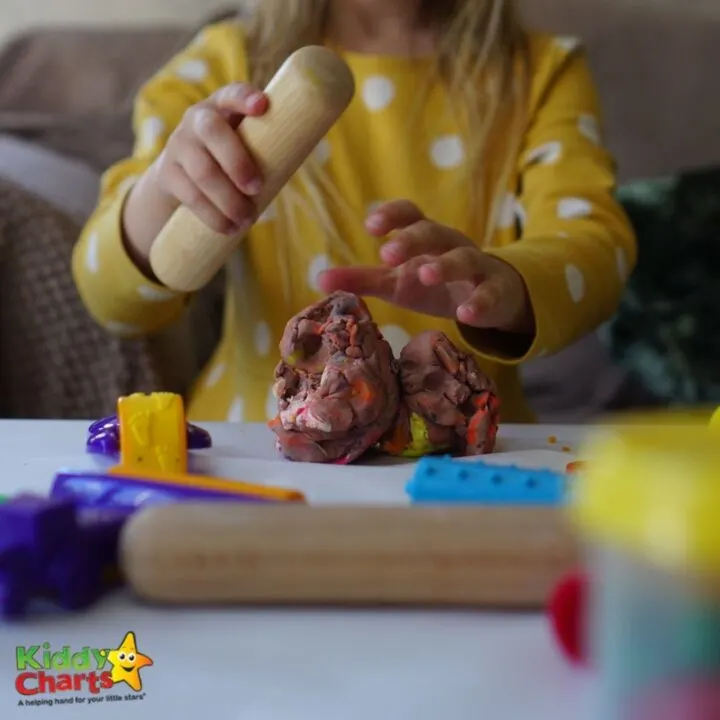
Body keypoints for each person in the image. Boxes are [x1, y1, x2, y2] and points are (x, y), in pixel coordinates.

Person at [71, 0, 636, 425]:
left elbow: (594, 247)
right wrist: (165, 193)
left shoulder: (541, 72)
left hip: (468, 458)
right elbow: (110, 301)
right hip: (254, 446)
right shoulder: (223, 64)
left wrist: (505, 286)